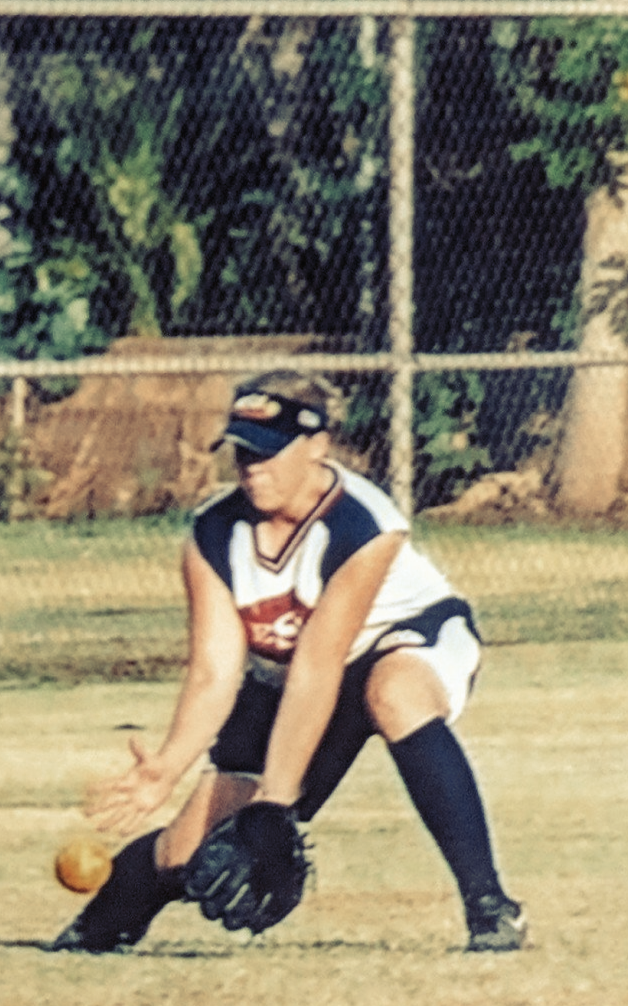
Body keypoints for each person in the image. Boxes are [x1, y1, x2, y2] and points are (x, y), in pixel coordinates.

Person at [47, 369, 525, 954]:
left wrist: (277, 801)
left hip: (403, 640)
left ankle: (490, 906)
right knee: (194, 850)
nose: (253, 467)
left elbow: (321, 666)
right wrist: (168, 766)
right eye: (243, 452)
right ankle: (104, 922)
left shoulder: (363, 524)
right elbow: (216, 671)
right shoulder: (214, 534)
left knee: (392, 695)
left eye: (270, 452)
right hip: (286, 674)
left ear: (318, 446)